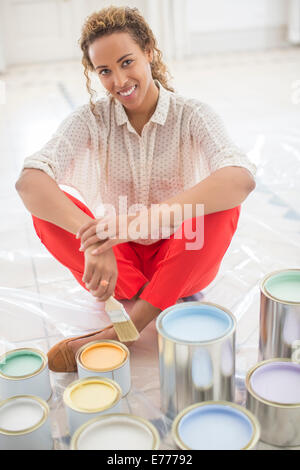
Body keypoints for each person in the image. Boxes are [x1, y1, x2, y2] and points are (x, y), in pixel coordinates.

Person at [15, 6, 256, 372]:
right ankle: (157, 297)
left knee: (220, 206)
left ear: (149, 52)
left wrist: (138, 222)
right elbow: (29, 181)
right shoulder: (90, 119)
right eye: (105, 71)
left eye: (127, 62)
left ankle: (128, 327)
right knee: (47, 211)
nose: (119, 80)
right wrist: (94, 240)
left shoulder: (192, 115)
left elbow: (241, 178)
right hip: (118, 264)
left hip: (182, 255)